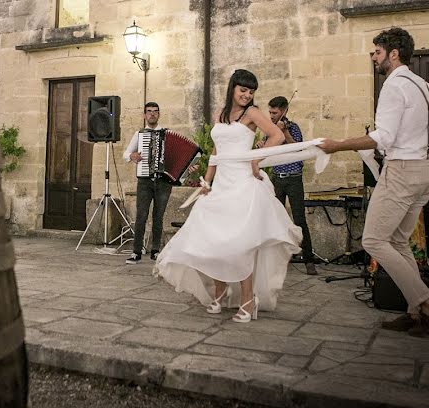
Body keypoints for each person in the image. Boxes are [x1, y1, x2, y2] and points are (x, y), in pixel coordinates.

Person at [319, 27, 429, 337]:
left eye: (376, 52)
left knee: (374, 240)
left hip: (403, 171)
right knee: (398, 241)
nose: (374, 58)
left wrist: (337, 144)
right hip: (427, 171)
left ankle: (428, 302)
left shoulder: (393, 86)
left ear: (393, 53)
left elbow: (383, 138)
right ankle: (417, 313)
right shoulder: (425, 86)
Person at [154, 69, 302, 323]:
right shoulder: (221, 115)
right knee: (214, 240)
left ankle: (247, 300)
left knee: (240, 243)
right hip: (221, 184)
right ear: (233, 88)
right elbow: (215, 150)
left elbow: (277, 135)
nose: (247, 95)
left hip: (243, 184)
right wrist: (207, 181)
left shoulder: (252, 113)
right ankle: (220, 294)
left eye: (251, 92)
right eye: (243, 90)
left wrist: (256, 159)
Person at [267, 96, 317, 276]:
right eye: (270, 112)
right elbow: (268, 151)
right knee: (276, 220)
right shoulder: (270, 129)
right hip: (277, 179)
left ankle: (309, 260)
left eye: (275, 113)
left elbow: (298, 150)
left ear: (284, 111)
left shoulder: (293, 127)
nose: (272, 116)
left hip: (294, 179)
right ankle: (277, 260)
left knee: (299, 220)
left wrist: (284, 132)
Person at [123, 102, 172, 264]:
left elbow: (175, 158)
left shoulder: (168, 134)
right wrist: (132, 157)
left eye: (155, 111)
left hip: (164, 182)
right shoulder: (140, 134)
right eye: (149, 112)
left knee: (158, 217)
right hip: (144, 181)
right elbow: (126, 153)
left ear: (159, 114)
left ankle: (155, 250)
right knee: (141, 216)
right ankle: (136, 252)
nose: (152, 114)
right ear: (144, 115)